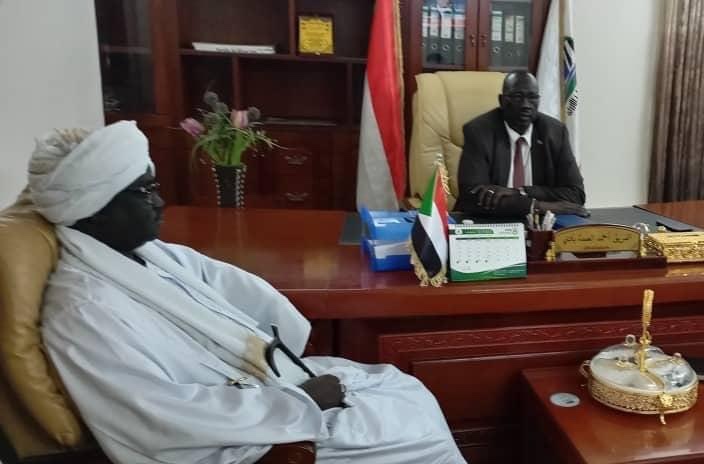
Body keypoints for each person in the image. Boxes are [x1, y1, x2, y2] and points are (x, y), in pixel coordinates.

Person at [29, 122, 466, 464]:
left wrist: (284, 349)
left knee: (402, 388)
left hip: (252, 390)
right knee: (413, 432)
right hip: (228, 441)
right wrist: (299, 399)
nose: (159, 202)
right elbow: (155, 414)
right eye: (143, 192)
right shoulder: (83, 310)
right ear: (94, 210)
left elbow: (228, 285)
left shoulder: (144, 253)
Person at [455, 71, 587, 218]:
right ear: (502, 101)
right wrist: (537, 206)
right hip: (490, 222)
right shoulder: (479, 131)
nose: (526, 105)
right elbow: (472, 197)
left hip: (540, 225)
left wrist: (520, 192)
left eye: (532, 97)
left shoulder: (555, 132)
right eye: (518, 97)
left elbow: (576, 195)